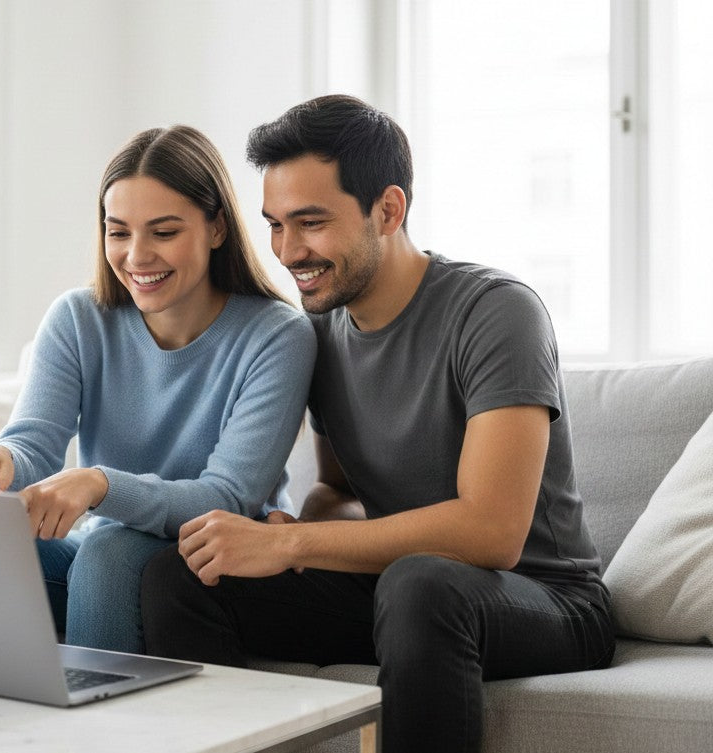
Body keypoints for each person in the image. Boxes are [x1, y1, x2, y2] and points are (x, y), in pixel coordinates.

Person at [140, 95, 616, 753]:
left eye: (310, 222)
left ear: (388, 210)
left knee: (419, 582)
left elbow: (492, 531)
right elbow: (339, 491)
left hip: (545, 600)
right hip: (407, 593)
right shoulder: (317, 334)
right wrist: (300, 530)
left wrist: (295, 548)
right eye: (275, 224)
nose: (287, 250)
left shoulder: (497, 312)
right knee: (183, 575)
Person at [0, 125, 316, 654]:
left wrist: (99, 484)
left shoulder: (277, 335)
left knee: (108, 552)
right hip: (101, 553)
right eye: (118, 232)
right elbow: (35, 443)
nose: (137, 257)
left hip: (207, 559)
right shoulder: (77, 318)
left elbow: (228, 496)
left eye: (163, 232)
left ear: (216, 228)